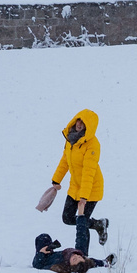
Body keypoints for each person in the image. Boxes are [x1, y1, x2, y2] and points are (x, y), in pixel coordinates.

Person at [37, 109, 108, 259]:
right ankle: (97, 224)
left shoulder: (93, 145)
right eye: (78, 120)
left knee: (82, 222)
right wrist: (57, 179)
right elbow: (65, 160)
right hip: (75, 186)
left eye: (83, 123)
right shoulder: (70, 140)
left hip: (91, 189)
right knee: (67, 218)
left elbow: (89, 172)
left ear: (89, 126)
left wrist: (84, 197)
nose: (79, 124)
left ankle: (83, 257)